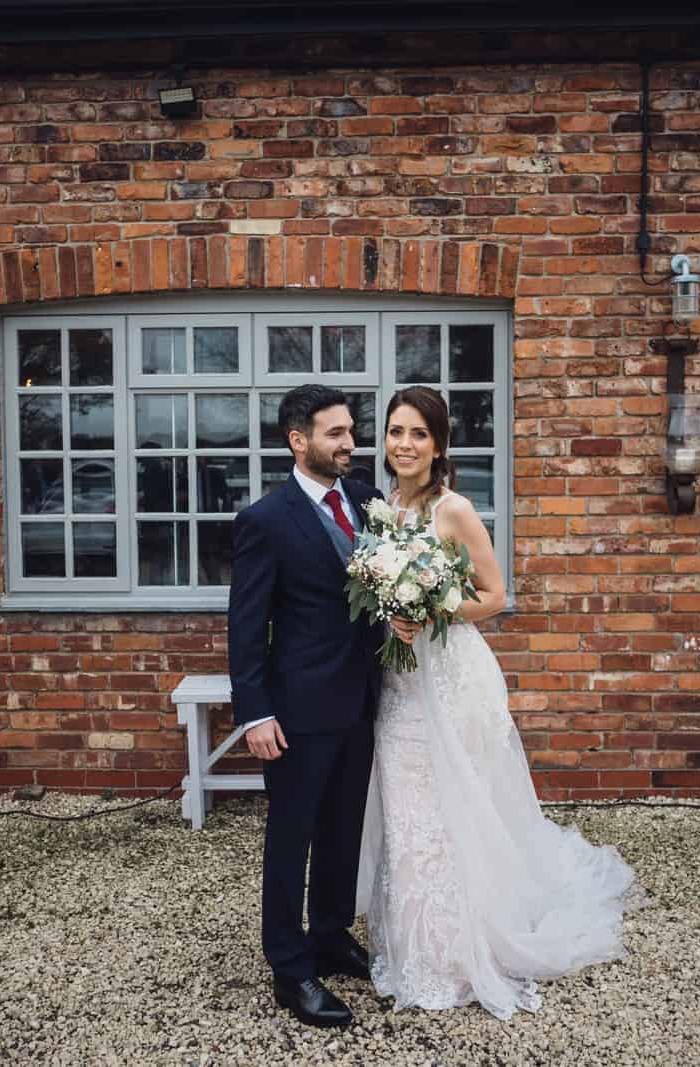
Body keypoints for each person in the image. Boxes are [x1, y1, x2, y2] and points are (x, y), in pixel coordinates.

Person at [357, 385, 644, 1020]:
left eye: (418, 434)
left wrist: (433, 607)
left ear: (439, 446)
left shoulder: (454, 510)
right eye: (396, 431)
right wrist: (391, 609)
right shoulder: (383, 509)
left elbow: (494, 595)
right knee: (407, 812)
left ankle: (462, 952)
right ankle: (414, 947)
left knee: (453, 807)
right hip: (401, 683)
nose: (405, 444)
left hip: (450, 677)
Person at [227, 384, 385, 1029]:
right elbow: (245, 625)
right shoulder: (266, 520)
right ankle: (290, 968)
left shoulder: (368, 502)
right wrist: (255, 712)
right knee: (292, 839)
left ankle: (329, 934)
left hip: (363, 699)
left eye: (350, 430)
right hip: (297, 710)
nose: (349, 443)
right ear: (299, 440)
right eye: (334, 433)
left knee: (344, 828)